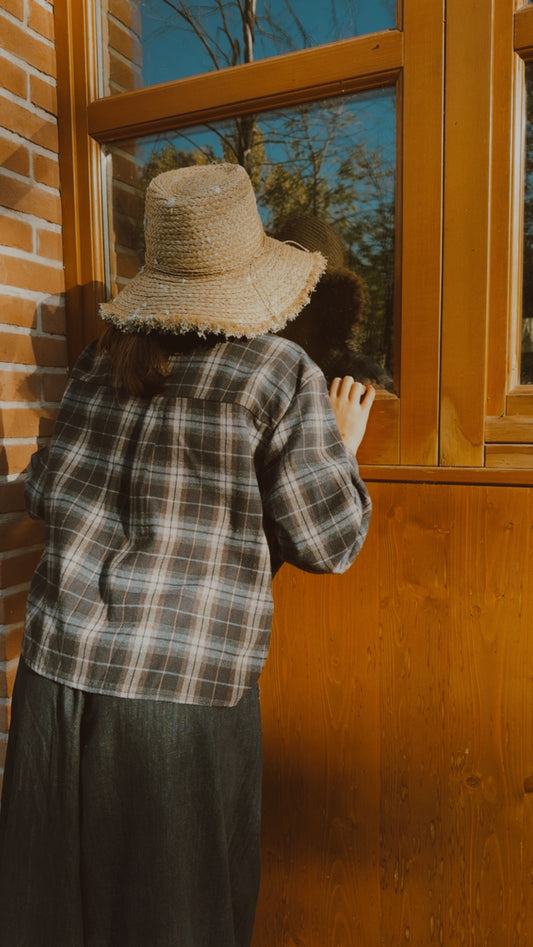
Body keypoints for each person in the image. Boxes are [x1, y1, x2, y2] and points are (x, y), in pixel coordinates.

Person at [0, 163, 375, 947]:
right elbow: (330, 543)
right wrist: (341, 446)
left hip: (55, 675)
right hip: (178, 698)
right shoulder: (278, 373)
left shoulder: (101, 362)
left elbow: (41, 490)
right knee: (178, 920)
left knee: (46, 914)